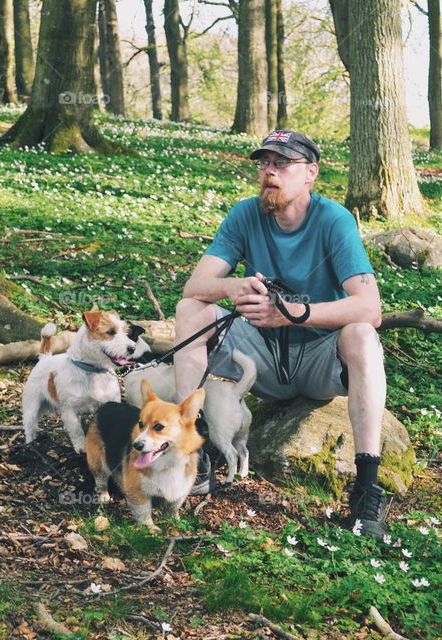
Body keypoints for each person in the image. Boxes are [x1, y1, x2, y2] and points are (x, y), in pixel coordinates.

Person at [173, 130, 390, 539]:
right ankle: (193, 450)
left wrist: (295, 314)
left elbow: (370, 307)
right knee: (190, 311)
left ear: (310, 173)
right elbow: (194, 286)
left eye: (282, 164)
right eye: (264, 163)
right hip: (260, 360)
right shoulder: (245, 215)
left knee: (361, 334)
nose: (269, 172)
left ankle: (367, 489)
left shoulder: (334, 221)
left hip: (317, 361)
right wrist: (231, 287)